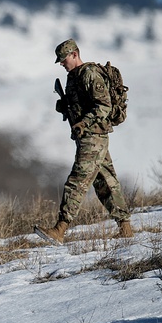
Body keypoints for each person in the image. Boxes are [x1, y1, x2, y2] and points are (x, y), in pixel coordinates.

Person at [35, 40, 132, 243]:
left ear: (75, 55)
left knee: (78, 180)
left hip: (94, 136)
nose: (61, 63)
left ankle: (60, 229)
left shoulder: (89, 74)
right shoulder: (72, 78)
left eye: (63, 59)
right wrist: (65, 106)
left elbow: (103, 105)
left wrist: (84, 122)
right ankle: (126, 228)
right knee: (106, 181)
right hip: (87, 136)